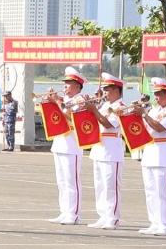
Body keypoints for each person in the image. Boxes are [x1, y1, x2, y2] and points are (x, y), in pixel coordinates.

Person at [42, 68, 89, 224]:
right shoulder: (64, 100)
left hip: (72, 144)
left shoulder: (79, 100)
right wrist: (50, 100)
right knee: (61, 182)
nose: (65, 87)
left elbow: (71, 116)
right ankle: (64, 211)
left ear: (77, 86)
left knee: (71, 181)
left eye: (69, 84)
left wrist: (57, 101)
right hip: (60, 143)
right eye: (65, 84)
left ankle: (73, 213)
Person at [137, 78, 166, 236]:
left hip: (163, 154)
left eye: (159, 94)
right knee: (150, 191)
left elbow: (160, 128)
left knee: (163, 192)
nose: (156, 97)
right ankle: (154, 222)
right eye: (155, 94)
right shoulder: (153, 111)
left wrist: (144, 115)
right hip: (149, 152)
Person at [88, 73, 127, 230]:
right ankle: (103, 215)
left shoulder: (121, 107)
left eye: (108, 90)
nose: (105, 93)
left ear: (116, 90)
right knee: (100, 185)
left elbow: (109, 124)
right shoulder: (104, 106)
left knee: (111, 186)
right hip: (99, 148)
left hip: (112, 150)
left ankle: (113, 217)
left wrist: (94, 111)